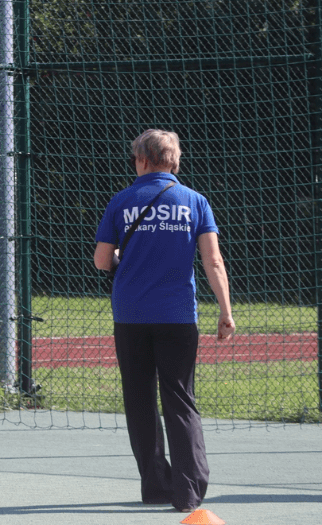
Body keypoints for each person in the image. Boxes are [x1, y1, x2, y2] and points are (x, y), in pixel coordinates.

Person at [93, 129, 234, 513]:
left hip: (131, 316)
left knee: (139, 400)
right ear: (175, 160)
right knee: (180, 399)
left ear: (141, 159)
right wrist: (225, 310)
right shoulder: (195, 201)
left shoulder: (121, 202)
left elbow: (102, 260)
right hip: (176, 316)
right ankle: (188, 491)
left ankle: (155, 485)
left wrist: (124, 256)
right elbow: (213, 261)